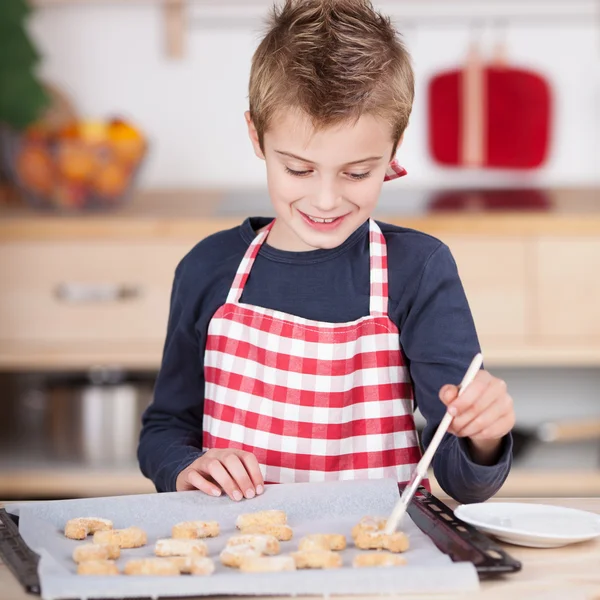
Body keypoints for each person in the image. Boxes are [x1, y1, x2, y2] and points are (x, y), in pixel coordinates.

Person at [138, 0, 515, 505]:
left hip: (379, 560)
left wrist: (482, 434)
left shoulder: (418, 269)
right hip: (239, 557)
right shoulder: (209, 267)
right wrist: (187, 467)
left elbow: (462, 479)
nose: (325, 199)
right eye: (298, 169)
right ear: (257, 135)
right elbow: (165, 428)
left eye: (357, 172)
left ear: (394, 147)